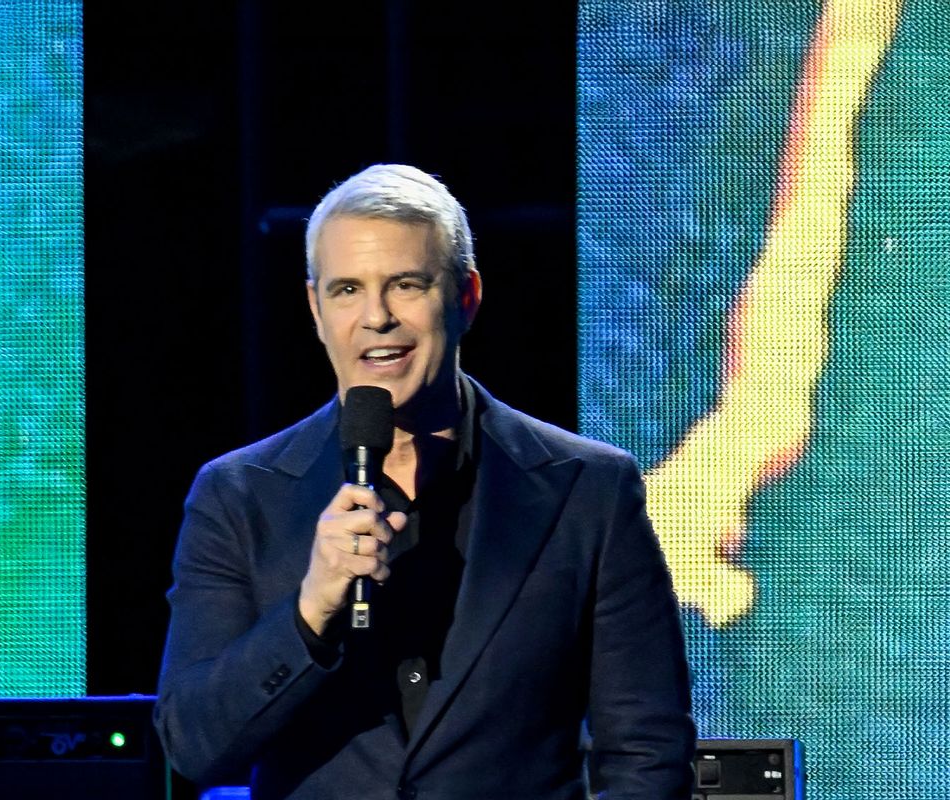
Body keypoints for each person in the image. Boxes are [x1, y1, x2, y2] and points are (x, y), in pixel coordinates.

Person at [154, 164, 695, 799]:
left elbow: (647, 753)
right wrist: (311, 609)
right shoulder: (238, 495)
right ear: (315, 308)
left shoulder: (589, 490)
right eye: (347, 289)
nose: (376, 317)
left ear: (465, 298)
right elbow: (192, 746)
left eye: (406, 284)